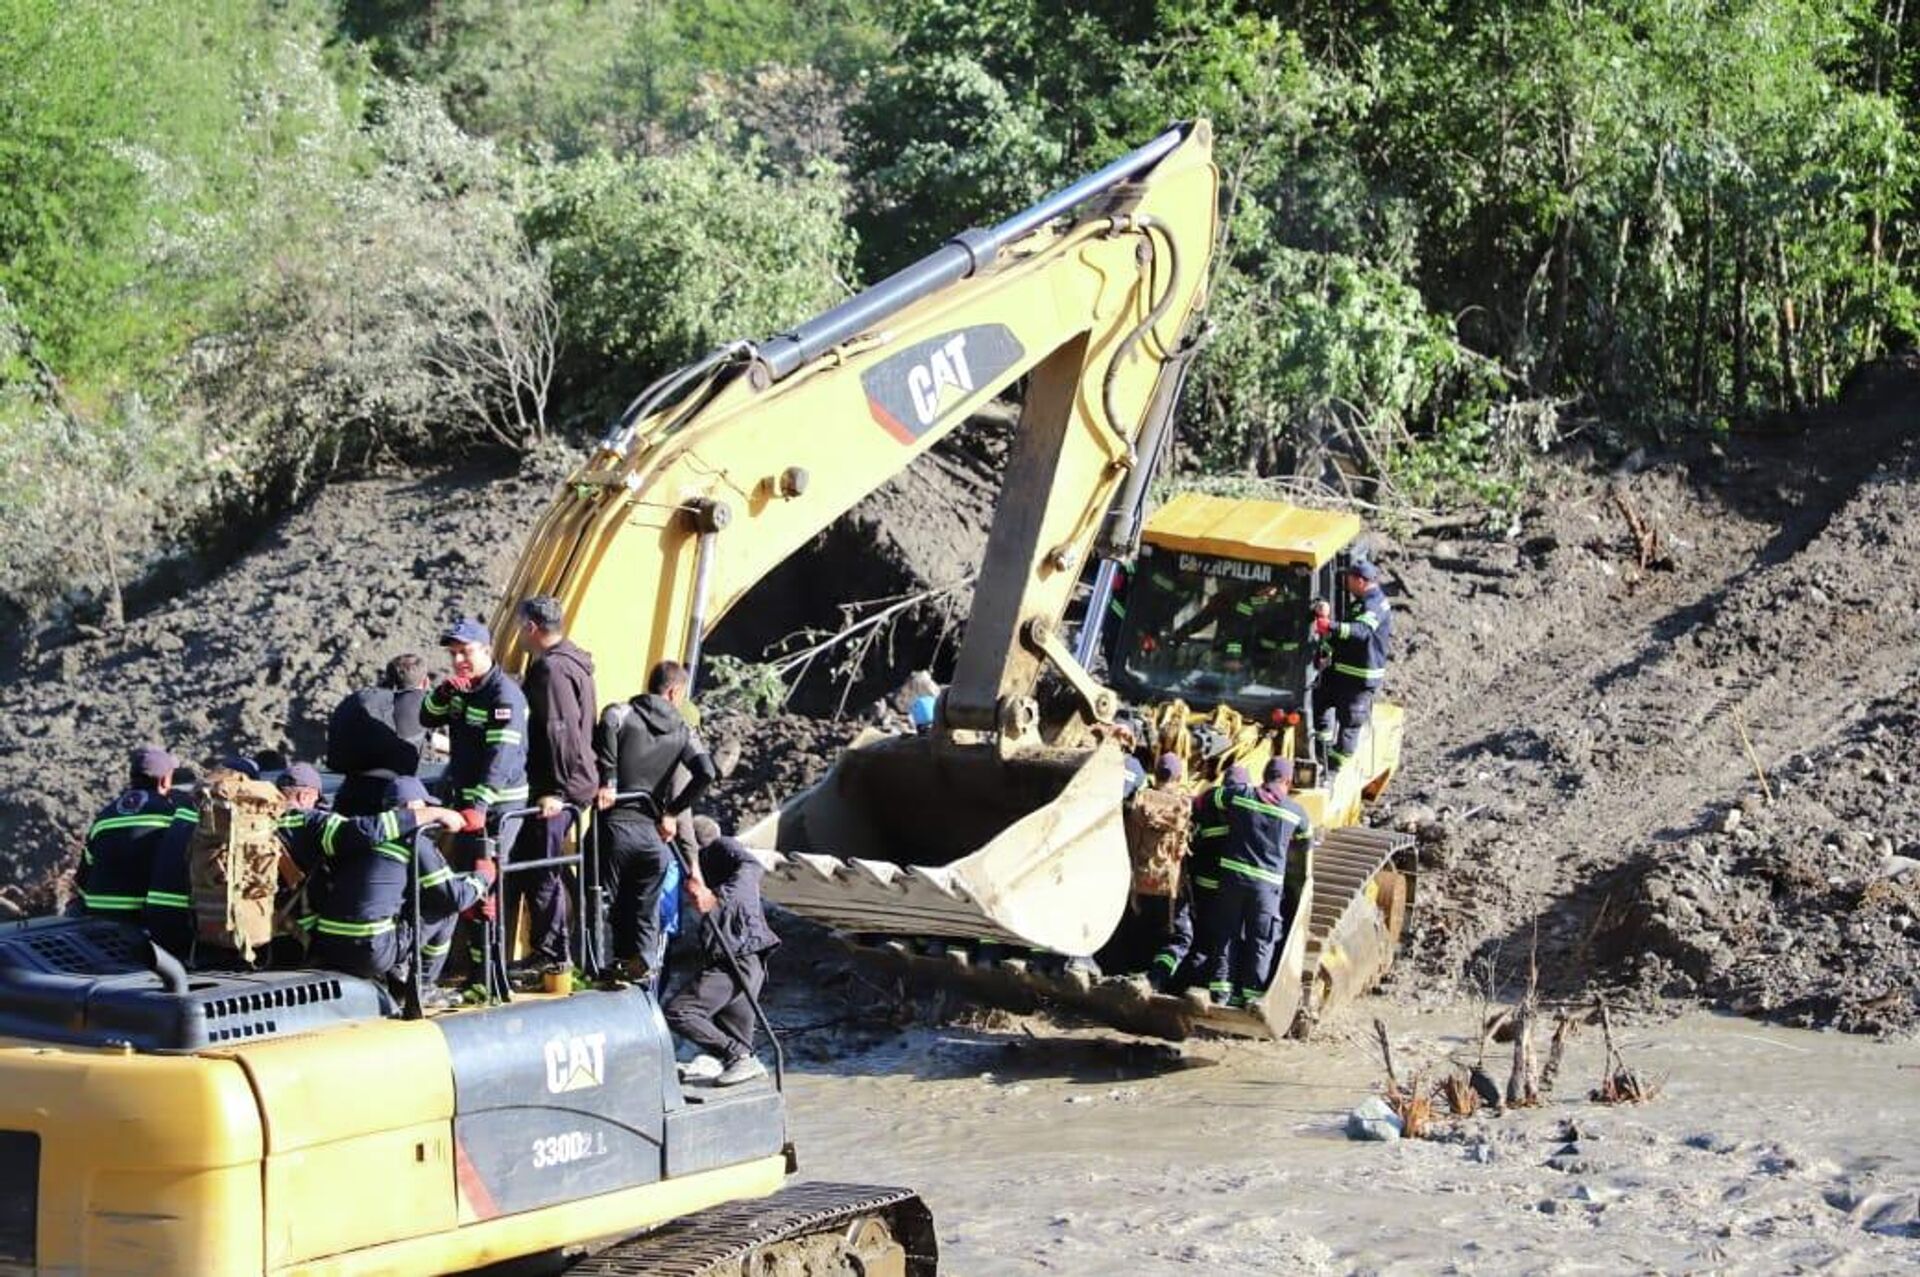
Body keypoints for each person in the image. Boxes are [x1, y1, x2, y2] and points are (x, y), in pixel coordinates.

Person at [594, 660, 717, 983]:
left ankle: (595, 968)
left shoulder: (622, 714)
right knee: (643, 909)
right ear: (675, 692)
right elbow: (707, 772)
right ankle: (640, 964)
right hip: (653, 837)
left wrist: (608, 779)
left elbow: (607, 719)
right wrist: (673, 812)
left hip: (614, 826)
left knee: (600, 900)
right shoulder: (682, 731)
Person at [308, 777, 490, 994]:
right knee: (445, 910)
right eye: (425, 805)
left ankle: (396, 976)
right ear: (413, 807)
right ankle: (422, 988)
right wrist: (483, 877)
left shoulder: (362, 832)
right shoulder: (415, 839)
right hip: (371, 952)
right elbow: (454, 897)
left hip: (328, 946)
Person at [513, 596, 598, 968]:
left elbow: (559, 731)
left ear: (531, 627)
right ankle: (555, 950)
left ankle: (550, 956)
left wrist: (556, 791)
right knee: (548, 867)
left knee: (542, 869)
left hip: (560, 788)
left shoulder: (552, 670)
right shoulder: (575, 663)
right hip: (575, 782)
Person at [666, 816, 779, 1087]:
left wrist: (719, 899)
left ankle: (738, 1057)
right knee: (736, 1036)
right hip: (743, 958)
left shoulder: (721, 849)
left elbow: (752, 865)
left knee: (680, 1012)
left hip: (736, 959)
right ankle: (733, 1060)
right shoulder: (706, 865)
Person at [1196, 758, 1311, 1007]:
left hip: (1232, 881)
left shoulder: (1240, 795)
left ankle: (1221, 993)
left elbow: (1210, 799)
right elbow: (1304, 840)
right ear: (1288, 781)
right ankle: (1251, 997)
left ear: (1264, 775)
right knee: (1262, 939)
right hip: (1267, 889)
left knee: (1226, 933)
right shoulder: (1295, 811)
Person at [1149, 762, 1242, 995]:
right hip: (1224, 890)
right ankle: (1200, 985)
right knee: (1212, 938)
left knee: (1193, 936)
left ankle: (1172, 981)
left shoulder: (1201, 805)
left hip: (1193, 885)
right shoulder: (1244, 812)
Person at [77, 747, 180, 922]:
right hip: (143, 921)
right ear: (164, 781)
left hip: (97, 919)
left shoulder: (104, 816)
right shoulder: (172, 814)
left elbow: (82, 877)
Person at [1311, 561, 1392, 779]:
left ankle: (1333, 771)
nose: (1345, 583)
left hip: (1359, 678)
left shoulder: (1375, 604)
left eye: (1348, 579)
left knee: (1349, 724)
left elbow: (1361, 632)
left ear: (1360, 581)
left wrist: (1330, 626)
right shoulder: (1361, 602)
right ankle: (1320, 753)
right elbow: (1344, 640)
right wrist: (1325, 648)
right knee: (1318, 702)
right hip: (1340, 671)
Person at [328, 654, 433, 818]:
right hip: (391, 798)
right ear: (426, 682)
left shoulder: (361, 700)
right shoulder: (421, 704)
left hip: (348, 794)